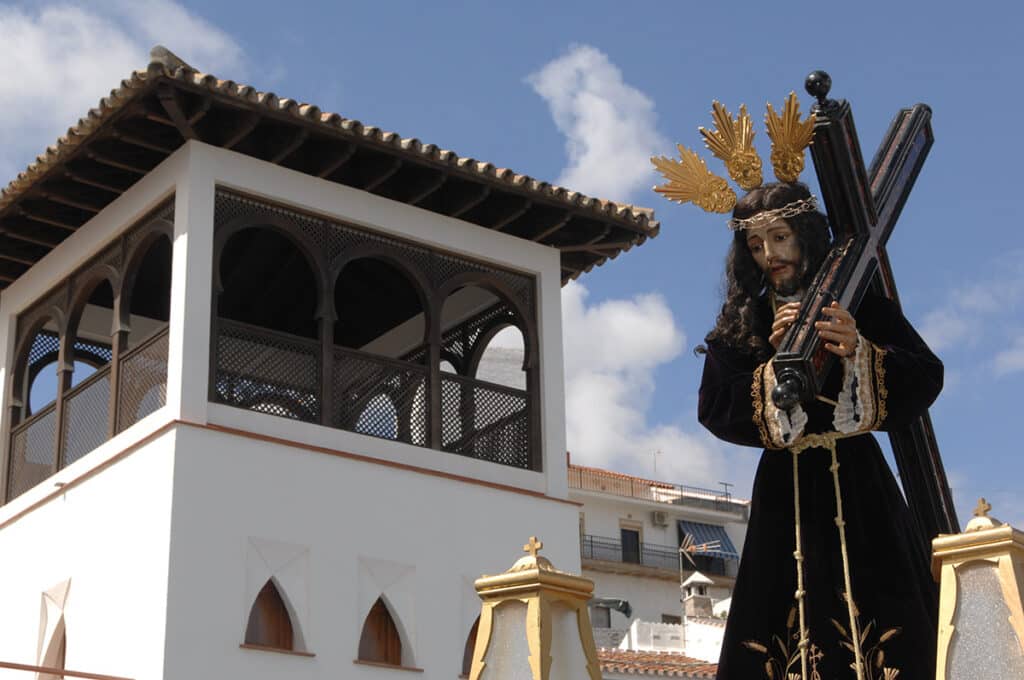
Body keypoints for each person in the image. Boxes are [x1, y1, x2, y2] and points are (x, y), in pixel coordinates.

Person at [697, 182, 942, 679]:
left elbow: (926, 373)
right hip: (784, 497)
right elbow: (715, 405)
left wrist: (857, 349)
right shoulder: (741, 325)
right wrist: (775, 366)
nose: (771, 255)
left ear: (806, 236)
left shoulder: (863, 308)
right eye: (757, 245)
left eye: (781, 237)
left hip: (860, 484)